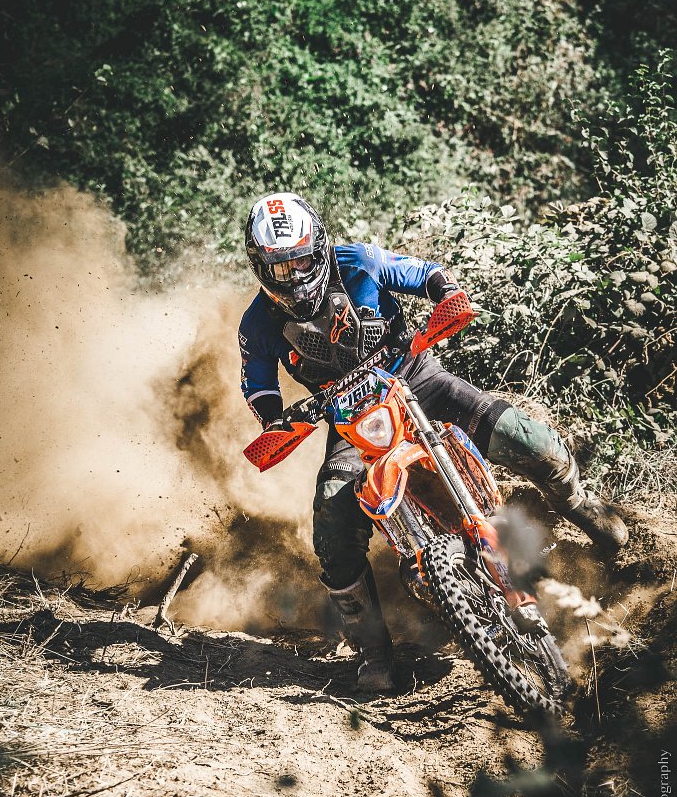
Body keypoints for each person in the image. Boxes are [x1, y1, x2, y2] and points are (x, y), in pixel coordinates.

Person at [238, 191, 628, 691]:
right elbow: (258, 384)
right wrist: (275, 421)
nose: (294, 276)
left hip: (416, 377)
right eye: (281, 267)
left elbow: (423, 273)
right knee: (331, 522)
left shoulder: (357, 261)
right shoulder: (257, 323)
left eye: (302, 261)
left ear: (320, 247)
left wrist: (448, 296)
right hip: (351, 418)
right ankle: (373, 651)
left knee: (524, 437)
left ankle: (580, 505)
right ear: (261, 268)